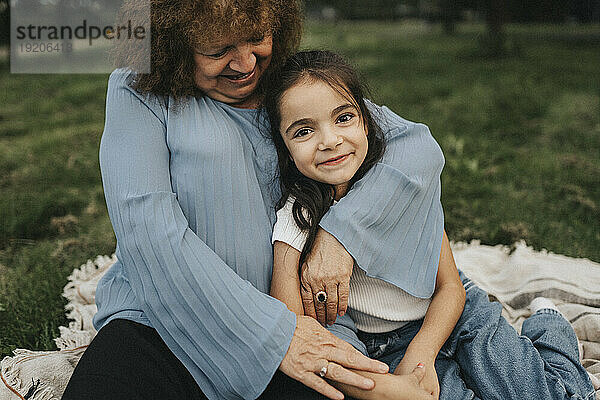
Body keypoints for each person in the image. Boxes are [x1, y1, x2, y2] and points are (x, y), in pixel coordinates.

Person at [62, 1, 434, 399]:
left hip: (306, 319)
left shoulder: (293, 87)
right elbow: (149, 234)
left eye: (257, 38)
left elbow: (416, 148)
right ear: (173, 47)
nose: (245, 64)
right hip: (162, 324)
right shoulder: (139, 90)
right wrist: (276, 337)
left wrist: (340, 235)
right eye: (218, 50)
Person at [264, 49, 596, 400]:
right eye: (303, 131)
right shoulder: (296, 217)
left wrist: (423, 352)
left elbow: (451, 287)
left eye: (343, 118)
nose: (329, 140)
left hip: (458, 319)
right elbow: (294, 325)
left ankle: (548, 324)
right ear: (284, 148)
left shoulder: (401, 188)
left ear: (366, 122)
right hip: (383, 349)